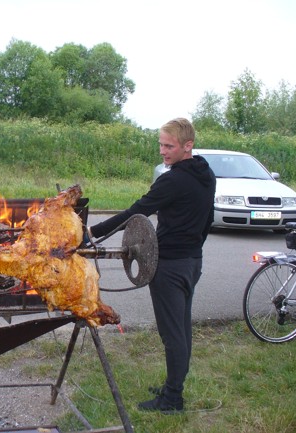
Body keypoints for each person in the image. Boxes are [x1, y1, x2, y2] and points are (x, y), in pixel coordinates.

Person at [86, 118, 216, 413]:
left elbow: (137, 212)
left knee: (172, 335)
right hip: (192, 262)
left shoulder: (173, 180)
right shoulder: (206, 174)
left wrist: (93, 232)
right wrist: (194, 247)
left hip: (168, 266)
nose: (162, 151)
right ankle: (173, 385)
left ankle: (172, 399)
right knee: (181, 329)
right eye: (160, 144)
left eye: (169, 146)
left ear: (188, 146)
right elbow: (208, 218)